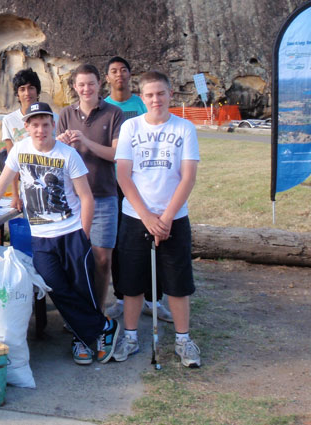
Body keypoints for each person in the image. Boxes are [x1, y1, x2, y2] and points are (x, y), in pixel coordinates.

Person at [0, 102, 120, 365]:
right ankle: (104, 327)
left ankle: (82, 340)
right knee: (56, 287)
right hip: (41, 236)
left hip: (71, 232)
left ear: (53, 126)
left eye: (45, 124)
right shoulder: (19, 151)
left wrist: (83, 234)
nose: (40, 130)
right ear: (26, 128)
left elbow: (86, 197)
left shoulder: (68, 155)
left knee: (82, 289)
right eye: (34, 125)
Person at [112, 70, 201, 367]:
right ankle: (132, 336)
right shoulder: (130, 128)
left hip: (173, 217)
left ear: (170, 94)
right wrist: (147, 216)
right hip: (136, 217)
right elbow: (123, 176)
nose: (155, 100)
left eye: (160, 93)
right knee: (132, 283)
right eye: (149, 95)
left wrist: (165, 218)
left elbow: (187, 177)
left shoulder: (185, 128)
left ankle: (183, 340)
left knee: (177, 282)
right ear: (142, 97)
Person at [103, 57, 173, 323]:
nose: (119, 75)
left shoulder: (142, 102)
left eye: (123, 70)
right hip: (116, 184)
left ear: (130, 75)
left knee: (156, 242)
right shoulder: (105, 107)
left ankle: (153, 299)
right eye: (113, 71)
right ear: (107, 77)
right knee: (123, 245)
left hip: (149, 182)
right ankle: (122, 297)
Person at [56, 64, 124, 314]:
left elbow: (117, 154)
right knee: (73, 258)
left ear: (99, 84)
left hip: (104, 195)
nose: (86, 89)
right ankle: (76, 311)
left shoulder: (114, 113)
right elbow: (55, 155)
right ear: (75, 87)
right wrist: (62, 145)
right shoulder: (65, 114)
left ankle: (97, 310)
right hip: (71, 198)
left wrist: (85, 141)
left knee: (102, 259)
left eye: (91, 84)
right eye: (81, 84)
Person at [0, 69, 44, 211]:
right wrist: (15, 195)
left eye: (31, 88)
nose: (27, 93)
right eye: (22, 89)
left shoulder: (53, 118)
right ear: (17, 94)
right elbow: (12, 161)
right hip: (27, 189)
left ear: (37, 91)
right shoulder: (9, 121)